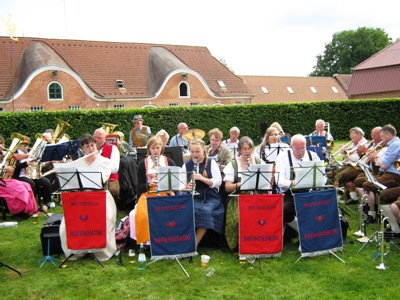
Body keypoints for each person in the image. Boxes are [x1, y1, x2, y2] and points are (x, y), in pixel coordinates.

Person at [59, 134, 117, 261]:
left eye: (92, 145)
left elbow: (103, 179)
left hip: (100, 197)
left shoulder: (104, 161)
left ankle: (101, 251)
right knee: (67, 222)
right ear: (82, 148)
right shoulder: (77, 163)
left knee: (106, 217)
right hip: (81, 198)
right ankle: (77, 250)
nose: (91, 149)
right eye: (87, 146)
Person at [129, 136, 176, 245]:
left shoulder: (168, 161)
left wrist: (166, 183)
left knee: (168, 212)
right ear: (149, 149)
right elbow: (138, 186)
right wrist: (148, 184)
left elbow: (175, 183)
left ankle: (167, 241)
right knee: (144, 214)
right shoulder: (143, 164)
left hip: (166, 193)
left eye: (158, 148)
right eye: (153, 148)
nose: (155, 151)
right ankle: (146, 242)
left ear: (162, 149)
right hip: (148, 193)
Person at [223, 136, 264, 251]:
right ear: (239, 150)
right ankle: (239, 246)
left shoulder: (259, 161)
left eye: (249, 148)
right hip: (238, 197)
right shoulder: (233, 165)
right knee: (237, 219)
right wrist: (242, 183)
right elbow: (227, 188)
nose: (247, 151)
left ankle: (261, 242)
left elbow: (266, 182)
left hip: (257, 195)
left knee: (263, 216)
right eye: (244, 149)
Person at [274, 134, 321, 235]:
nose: (300, 152)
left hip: (309, 191)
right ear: (291, 147)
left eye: (303, 148)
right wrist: (291, 183)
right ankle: (303, 232)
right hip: (290, 192)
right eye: (297, 149)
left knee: (323, 205)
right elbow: (278, 180)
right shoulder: (282, 157)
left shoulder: (312, 155)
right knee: (285, 209)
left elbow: (322, 175)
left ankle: (317, 233)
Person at [182, 138, 224, 248]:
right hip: (192, 195)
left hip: (209, 195)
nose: (194, 154)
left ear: (203, 151)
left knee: (205, 211)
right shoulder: (186, 165)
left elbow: (218, 182)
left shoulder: (211, 162)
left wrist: (202, 179)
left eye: (197, 151)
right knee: (187, 210)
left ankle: (195, 244)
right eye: (192, 152)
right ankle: (184, 240)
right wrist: (186, 187)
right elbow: (180, 185)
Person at [362, 125, 400, 234]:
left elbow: (384, 165)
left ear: (388, 135)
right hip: (388, 174)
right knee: (369, 185)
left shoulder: (395, 145)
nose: (381, 138)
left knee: (371, 186)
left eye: (382, 136)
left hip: (393, 176)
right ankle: (373, 212)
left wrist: (375, 156)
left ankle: (393, 226)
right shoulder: (391, 144)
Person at [0, 135, 38, 218]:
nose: (3, 146)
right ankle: (18, 212)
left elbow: (15, 156)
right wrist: (5, 167)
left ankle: (26, 210)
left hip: (4, 180)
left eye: (3, 144)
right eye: (1, 144)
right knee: (20, 188)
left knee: (27, 185)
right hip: (1, 182)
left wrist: (28, 156)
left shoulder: (2, 153)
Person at [353, 126, 385, 224]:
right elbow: (364, 158)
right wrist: (360, 152)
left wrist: (368, 153)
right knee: (358, 181)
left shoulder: (383, 146)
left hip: (378, 172)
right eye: (371, 134)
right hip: (369, 170)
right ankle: (367, 203)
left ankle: (372, 212)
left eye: (374, 135)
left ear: (381, 135)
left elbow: (379, 162)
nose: (372, 137)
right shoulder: (372, 144)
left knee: (368, 185)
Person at [12, 136, 53, 208]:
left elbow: (36, 164)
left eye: (27, 145)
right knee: (32, 184)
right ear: (18, 145)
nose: (26, 147)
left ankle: (46, 203)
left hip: (31, 175)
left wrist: (38, 171)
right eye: (23, 145)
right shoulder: (15, 154)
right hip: (20, 175)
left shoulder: (30, 153)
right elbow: (15, 167)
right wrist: (26, 163)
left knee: (46, 182)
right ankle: (31, 205)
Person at [335, 127, 368, 205]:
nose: (351, 138)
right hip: (349, 165)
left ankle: (342, 194)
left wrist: (347, 152)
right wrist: (345, 152)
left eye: (352, 136)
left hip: (358, 166)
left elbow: (355, 159)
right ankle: (352, 196)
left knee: (340, 176)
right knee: (333, 173)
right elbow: (348, 157)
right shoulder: (354, 144)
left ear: (359, 135)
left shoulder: (363, 144)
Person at [94, 127, 120, 201]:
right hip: (94, 179)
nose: (96, 140)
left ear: (105, 139)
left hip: (110, 179)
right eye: (95, 137)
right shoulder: (91, 149)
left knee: (112, 190)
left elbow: (115, 168)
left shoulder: (113, 148)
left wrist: (100, 169)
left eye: (99, 138)